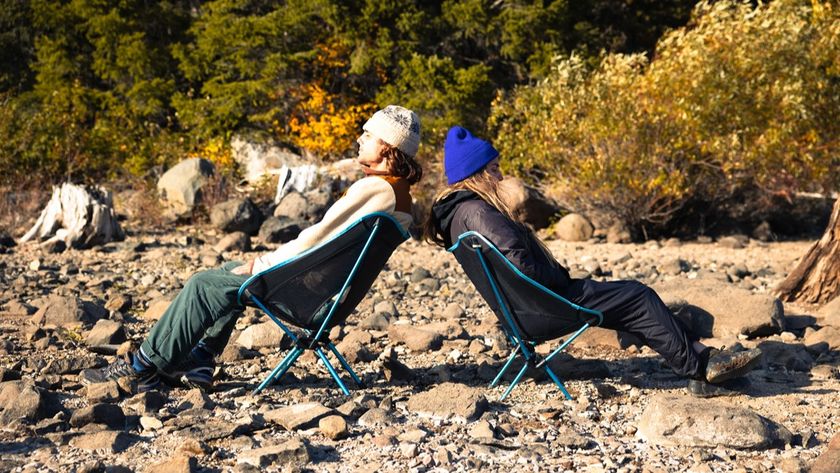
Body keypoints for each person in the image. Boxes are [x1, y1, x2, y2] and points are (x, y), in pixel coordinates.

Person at [82, 105, 423, 392]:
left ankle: (142, 367)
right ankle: (200, 360)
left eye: (368, 134)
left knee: (203, 284)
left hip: (308, 298)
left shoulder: (375, 190)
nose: (360, 138)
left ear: (389, 147)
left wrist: (262, 264)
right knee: (229, 270)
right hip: (329, 299)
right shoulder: (399, 196)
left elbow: (316, 239)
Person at [425, 126, 762, 397]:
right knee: (637, 296)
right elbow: (522, 267)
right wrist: (565, 282)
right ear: (478, 173)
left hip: (525, 311)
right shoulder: (479, 211)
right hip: (545, 306)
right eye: (494, 169)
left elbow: (515, 266)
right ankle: (701, 369)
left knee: (629, 303)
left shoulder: (460, 214)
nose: (499, 177)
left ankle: (701, 356)